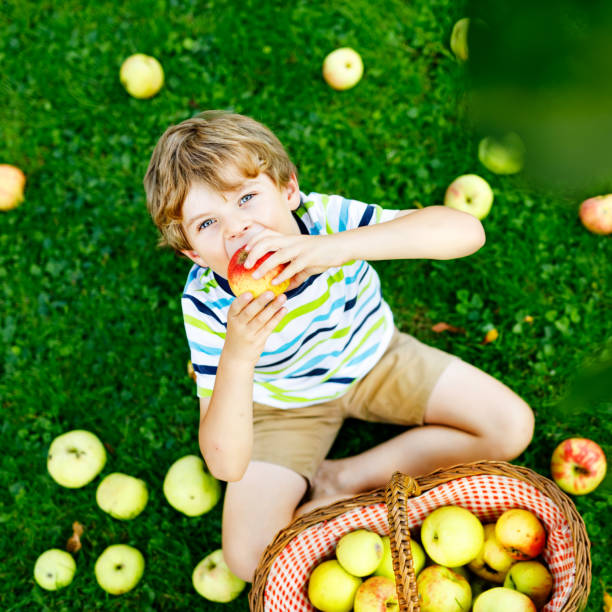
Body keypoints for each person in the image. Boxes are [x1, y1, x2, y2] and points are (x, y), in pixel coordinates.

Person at [143, 110, 534, 582]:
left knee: (511, 427)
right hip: (283, 407)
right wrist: (239, 354)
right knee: (249, 560)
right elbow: (226, 463)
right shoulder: (206, 304)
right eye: (207, 224)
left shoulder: (325, 220)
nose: (235, 229)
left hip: (377, 359)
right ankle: (330, 480)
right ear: (191, 251)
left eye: (248, 198)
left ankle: (344, 477)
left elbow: (467, 233)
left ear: (289, 190)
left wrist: (340, 247)